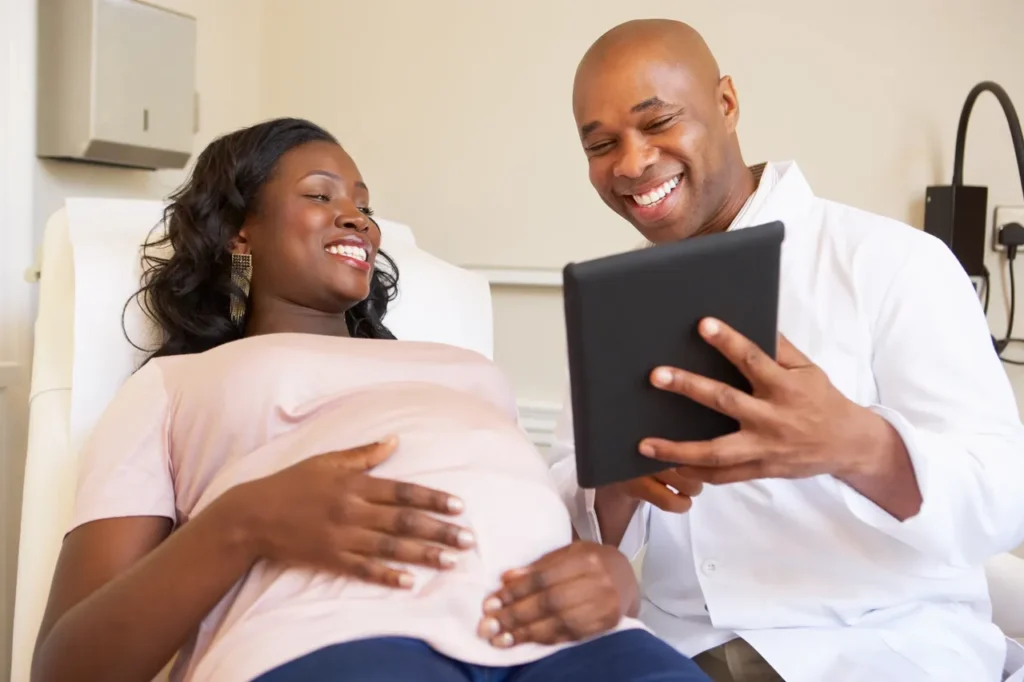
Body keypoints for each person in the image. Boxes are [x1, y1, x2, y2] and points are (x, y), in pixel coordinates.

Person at [31, 118, 711, 682]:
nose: (356, 217)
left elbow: (534, 529)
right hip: (338, 643)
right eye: (321, 196)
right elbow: (68, 668)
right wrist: (243, 522)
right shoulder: (172, 387)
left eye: (362, 203)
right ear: (241, 230)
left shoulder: (464, 369)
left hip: (570, 647)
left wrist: (612, 578)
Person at [550, 18, 1024, 682]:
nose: (630, 164)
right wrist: (617, 487)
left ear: (727, 104)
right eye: (602, 143)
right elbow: (575, 516)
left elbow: (1004, 496)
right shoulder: (611, 304)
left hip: (879, 648)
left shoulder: (893, 262)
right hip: (677, 653)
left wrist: (858, 444)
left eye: (657, 124)